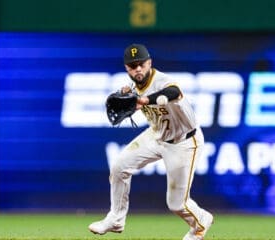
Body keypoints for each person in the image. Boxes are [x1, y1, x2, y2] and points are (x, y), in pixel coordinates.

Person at [88, 43, 213, 240]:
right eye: (132, 65)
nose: (138, 69)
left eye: (141, 64)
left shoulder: (163, 81)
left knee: (177, 204)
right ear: (126, 69)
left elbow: (174, 92)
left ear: (149, 63)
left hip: (183, 142)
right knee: (119, 166)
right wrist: (128, 97)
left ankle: (200, 222)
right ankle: (116, 219)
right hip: (156, 136)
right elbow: (129, 100)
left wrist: (145, 100)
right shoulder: (132, 87)